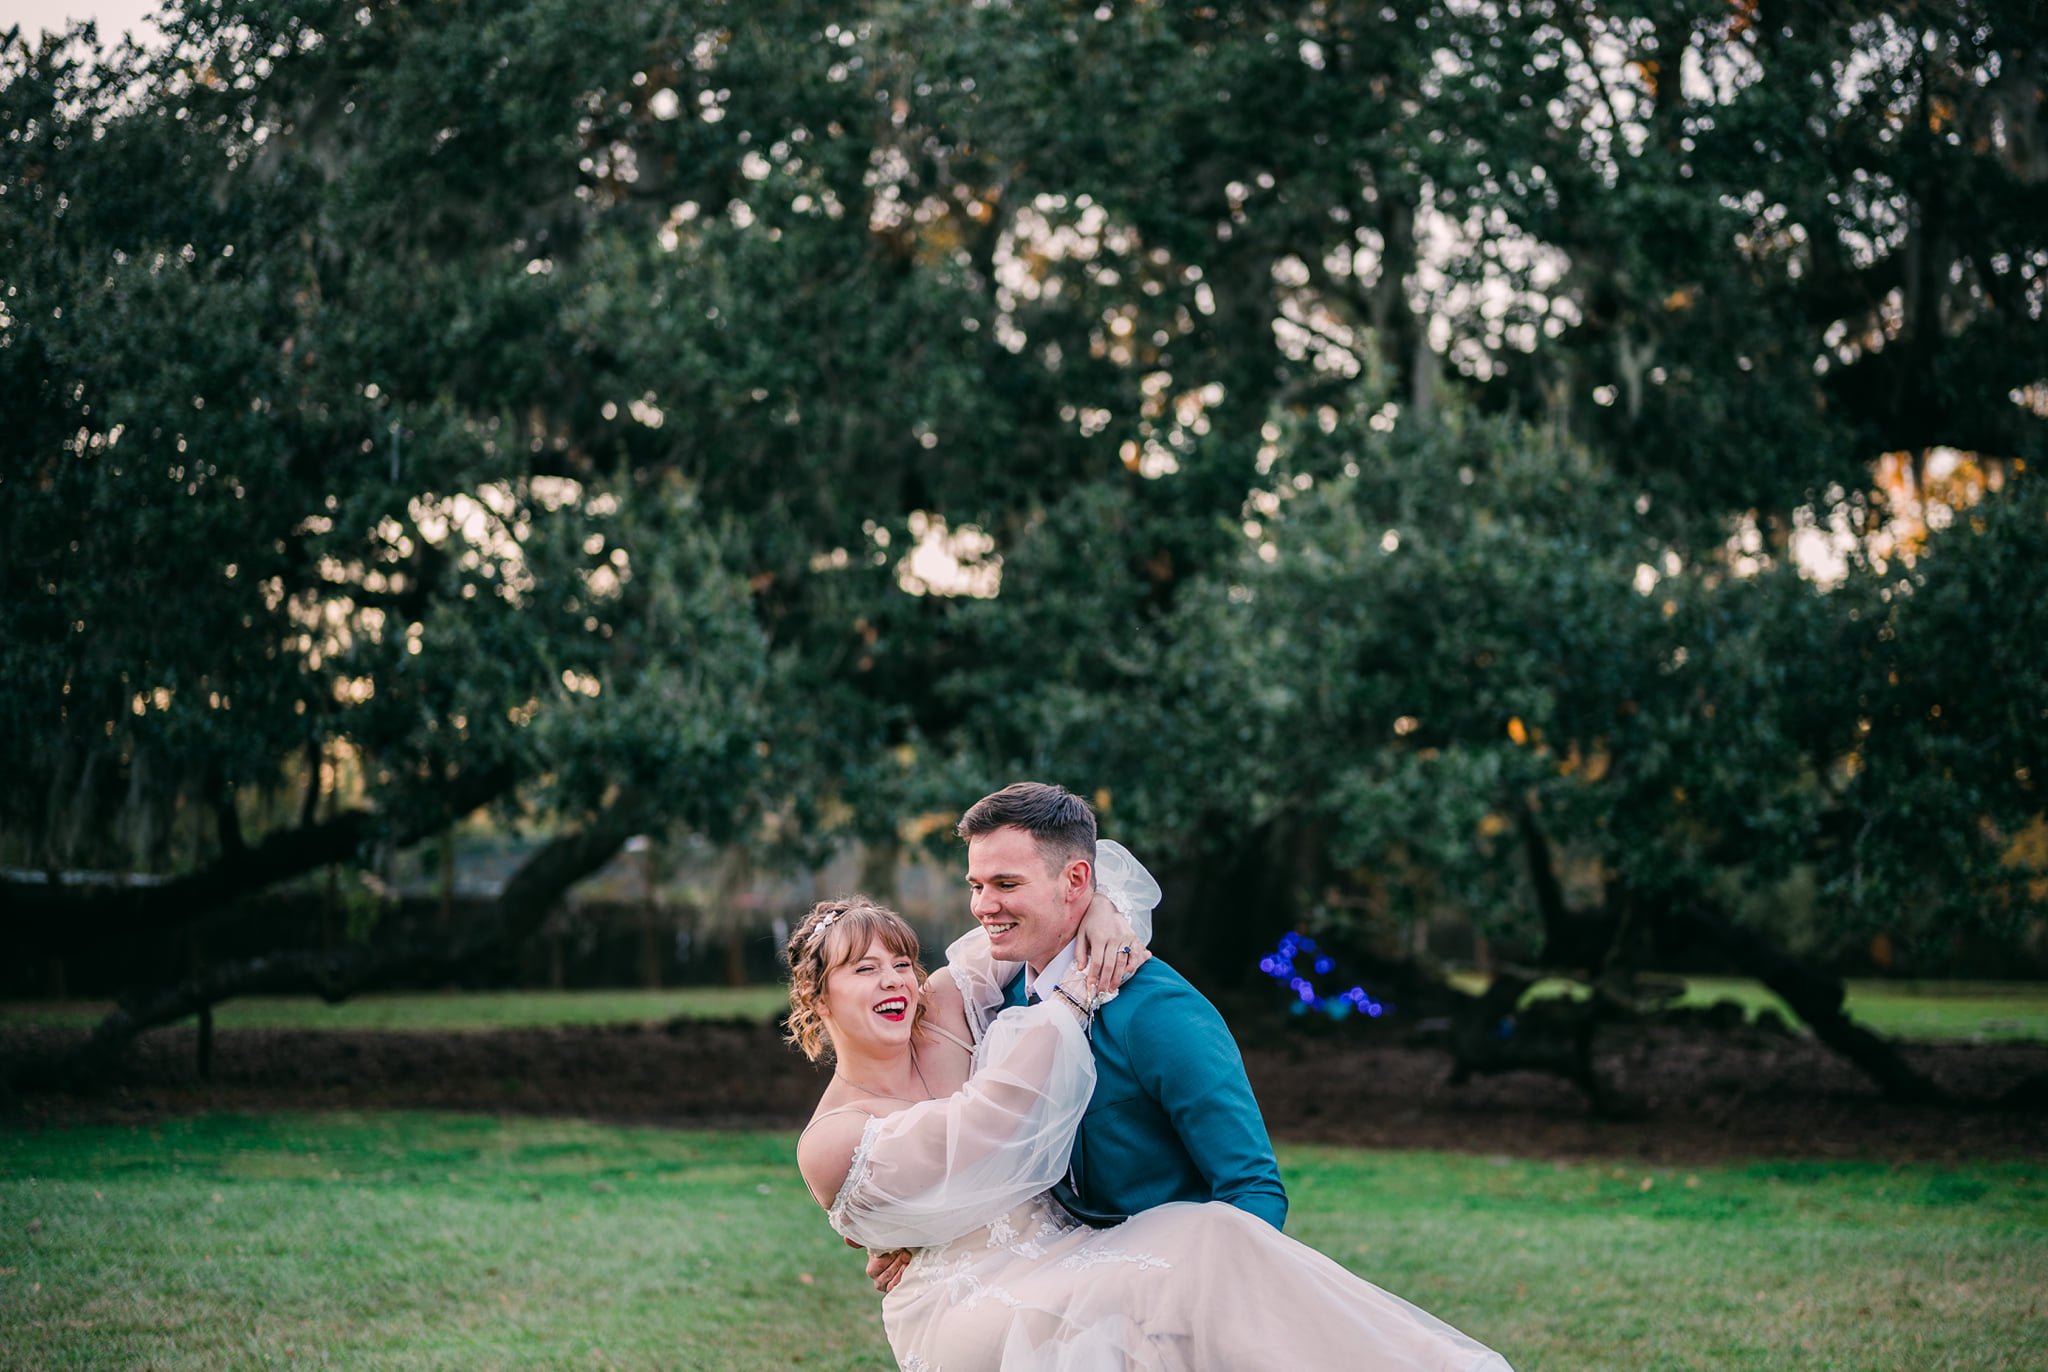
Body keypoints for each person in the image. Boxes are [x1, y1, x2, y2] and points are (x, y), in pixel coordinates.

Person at [787, 895, 1515, 1369]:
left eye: (902, 962)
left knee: (1213, 1236)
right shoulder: (832, 1135)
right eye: (863, 969)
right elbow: (985, 1130)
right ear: (816, 998)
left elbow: (1045, 899)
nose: (895, 981)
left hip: (1068, 1251)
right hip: (966, 1304)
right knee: (1143, 1303)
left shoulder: (942, 1010)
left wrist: (1099, 913)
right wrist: (1071, 1001)